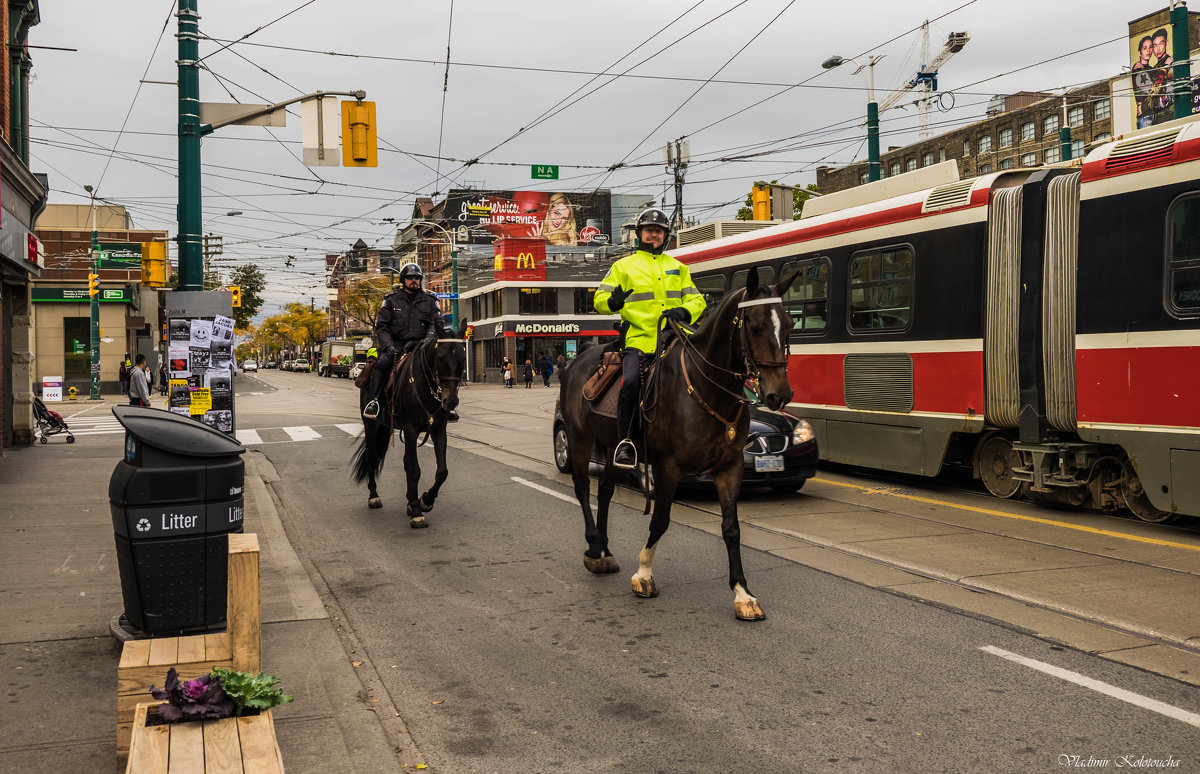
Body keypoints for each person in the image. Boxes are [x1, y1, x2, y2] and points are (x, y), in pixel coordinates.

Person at [594, 207, 706, 468]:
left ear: (665, 236)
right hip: (640, 341)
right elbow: (599, 300)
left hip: (678, 339)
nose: (653, 235)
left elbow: (697, 299)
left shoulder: (678, 267)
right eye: (649, 231)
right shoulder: (622, 266)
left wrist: (685, 310)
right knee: (631, 382)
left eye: (658, 232)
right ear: (639, 234)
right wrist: (612, 301)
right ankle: (626, 442)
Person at [362, 262, 451, 420]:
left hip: (422, 345)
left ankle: (447, 405)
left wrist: (427, 340)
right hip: (396, 346)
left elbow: (437, 323)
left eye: (417, 278)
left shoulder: (431, 301)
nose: (414, 281)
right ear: (403, 280)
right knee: (381, 364)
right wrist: (388, 346)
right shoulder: (390, 301)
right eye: (410, 278)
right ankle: (375, 401)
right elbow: (382, 327)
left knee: (446, 364)